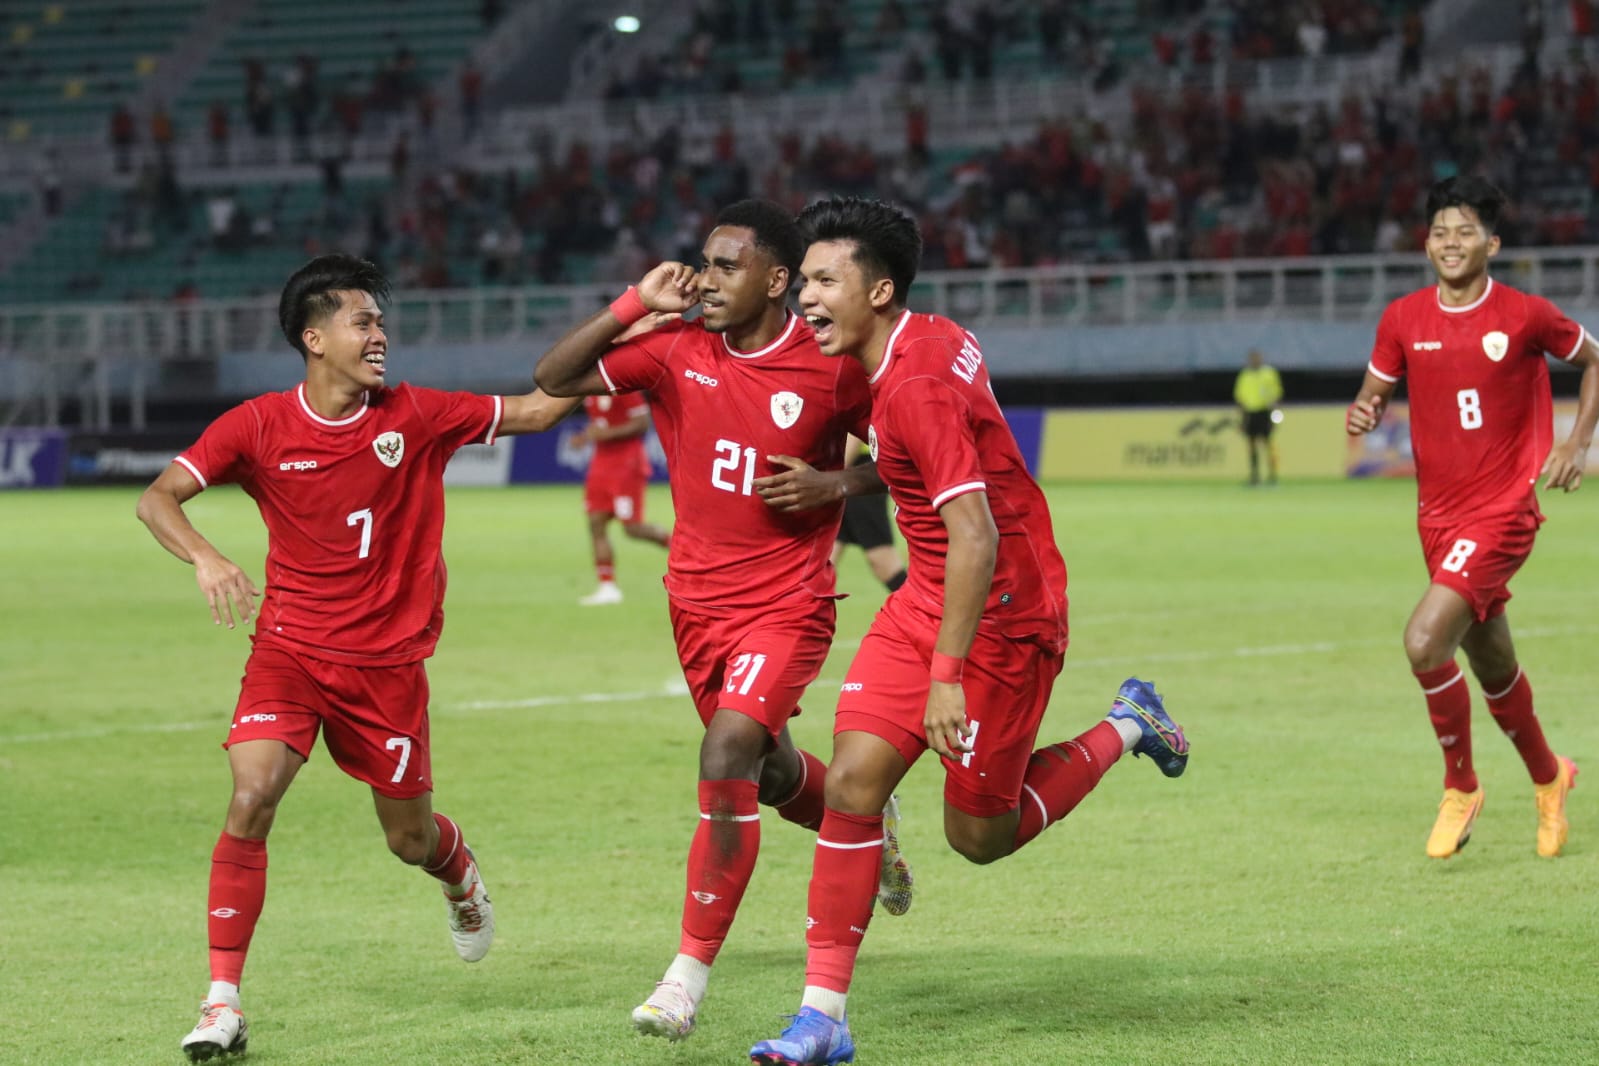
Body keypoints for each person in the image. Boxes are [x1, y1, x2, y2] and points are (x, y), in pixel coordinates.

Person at [747, 196, 1190, 1065]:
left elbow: (977, 533)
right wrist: (838, 488)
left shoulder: (910, 384)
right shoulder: (929, 336)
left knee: (977, 838)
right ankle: (822, 1018)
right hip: (933, 599)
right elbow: (914, 464)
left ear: (877, 290)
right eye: (803, 280)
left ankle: (1129, 720)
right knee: (850, 783)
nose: (804, 297)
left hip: (1005, 615)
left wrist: (946, 674)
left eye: (823, 280)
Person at [137, 253, 581, 1062]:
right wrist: (206, 556)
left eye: (380, 321)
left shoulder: (418, 413)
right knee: (252, 793)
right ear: (314, 336)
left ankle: (459, 877)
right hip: (291, 651)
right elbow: (157, 495)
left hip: (385, 671)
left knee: (409, 841)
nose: (381, 335)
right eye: (363, 321)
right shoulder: (257, 425)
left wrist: (629, 334)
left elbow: (536, 411)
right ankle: (220, 1003)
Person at [532, 199, 914, 1044]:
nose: (706, 279)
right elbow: (553, 379)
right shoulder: (673, 352)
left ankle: (684, 978)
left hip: (787, 604)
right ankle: (864, 817)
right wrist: (632, 305)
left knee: (725, 751)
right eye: (703, 261)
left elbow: (901, 455)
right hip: (695, 607)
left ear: (777, 280)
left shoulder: (832, 368)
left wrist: (834, 487)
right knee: (770, 773)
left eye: (727, 265)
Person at [1346, 175, 1595, 861]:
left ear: (1492, 242)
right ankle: (1550, 778)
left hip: (1503, 510)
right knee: (1491, 664)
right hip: (1436, 518)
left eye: (1464, 232)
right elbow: (1373, 388)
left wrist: (1574, 443)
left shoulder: (1524, 314)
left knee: (1425, 640)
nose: (1449, 243)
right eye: (1438, 232)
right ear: (1425, 245)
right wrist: (1364, 409)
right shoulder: (1401, 318)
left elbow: (1593, 359)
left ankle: (1460, 786)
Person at [575, 390, 671, 605]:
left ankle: (680, 548)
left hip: (626, 465)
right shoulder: (588, 392)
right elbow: (600, 424)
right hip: (601, 464)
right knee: (595, 523)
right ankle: (607, 587)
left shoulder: (624, 388)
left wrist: (606, 434)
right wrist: (584, 437)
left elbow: (642, 423)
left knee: (633, 528)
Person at [832, 433, 906, 592]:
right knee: (822, 560)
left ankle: (927, 610)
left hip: (857, 472)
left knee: (882, 559)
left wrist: (832, 478)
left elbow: (854, 433)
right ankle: (796, 613)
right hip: (841, 473)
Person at [1234, 348, 1283, 486]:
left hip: (1264, 411)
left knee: (1268, 445)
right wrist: (1241, 416)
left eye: (1257, 358)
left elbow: (1276, 393)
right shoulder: (1245, 375)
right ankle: (1254, 476)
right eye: (1253, 358)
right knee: (1251, 445)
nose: (1255, 360)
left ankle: (1272, 476)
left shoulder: (1269, 373)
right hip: (1250, 413)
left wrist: (1275, 410)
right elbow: (1240, 396)